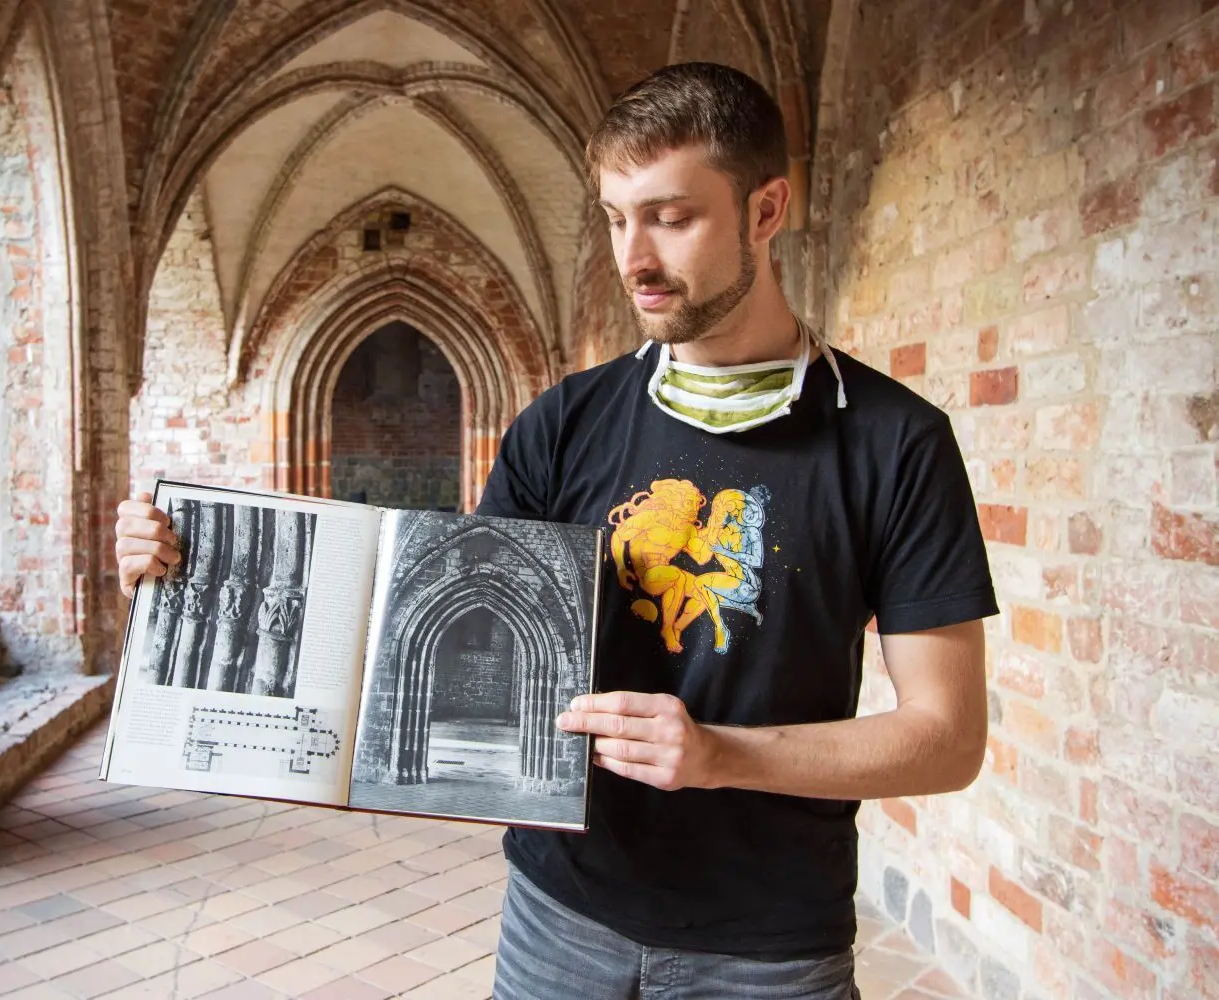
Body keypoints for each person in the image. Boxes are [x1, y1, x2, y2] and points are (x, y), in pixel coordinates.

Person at [114, 62, 997, 1000]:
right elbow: (439, 614)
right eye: (616, 219)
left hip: (768, 945)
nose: (634, 258)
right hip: (557, 917)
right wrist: (190, 564)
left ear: (767, 210)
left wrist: (721, 755)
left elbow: (947, 738)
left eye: (671, 217)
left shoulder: (895, 441)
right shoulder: (564, 421)